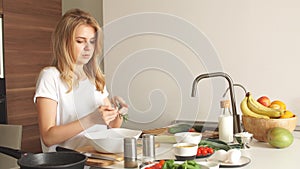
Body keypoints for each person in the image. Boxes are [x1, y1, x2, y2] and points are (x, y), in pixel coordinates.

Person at [33, 8, 127, 152]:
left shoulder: (94, 78)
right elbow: (48, 137)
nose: (88, 48)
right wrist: (91, 119)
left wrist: (118, 111)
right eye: (80, 41)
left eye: (92, 41)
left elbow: (113, 126)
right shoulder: (50, 76)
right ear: (64, 43)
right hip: (68, 163)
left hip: (97, 159)